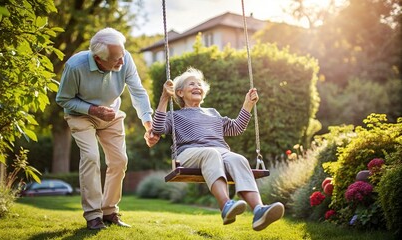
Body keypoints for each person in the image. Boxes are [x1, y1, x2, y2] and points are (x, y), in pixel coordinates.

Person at [152, 67, 284, 231]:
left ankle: (259, 210)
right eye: (191, 84)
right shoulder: (175, 115)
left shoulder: (212, 113)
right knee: (211, 153)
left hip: (218, 152)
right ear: (179, 93)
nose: (197, 86)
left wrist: (248, 105)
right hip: (188, 153)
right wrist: (165, 98)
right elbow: (157, 128)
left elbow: (236, 128)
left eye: (199, 84)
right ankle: (225, 206)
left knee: (238, 158)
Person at [56, 28, 160, 230]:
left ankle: (109, 211)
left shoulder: (124, 58)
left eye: (122, 56)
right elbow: (63, 99)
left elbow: (138, 91)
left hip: (111, 115)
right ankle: (93, 215)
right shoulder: (75, 66)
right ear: (98, 59)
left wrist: (149, 124)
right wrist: (92, 109)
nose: (121, 62)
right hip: (81, 115)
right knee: (91, 157)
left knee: (120, 160)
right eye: (116, 59)